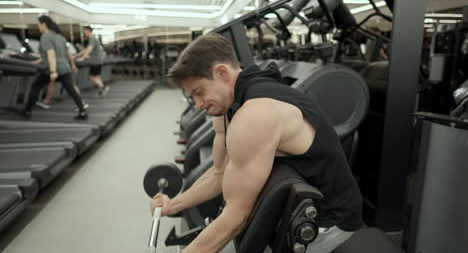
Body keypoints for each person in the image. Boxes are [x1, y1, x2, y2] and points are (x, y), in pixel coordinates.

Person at [150, 34, 363, 253]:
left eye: (199, 92)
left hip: (326, 224)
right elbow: (219, 172)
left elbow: (236, 216)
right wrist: (173, 205)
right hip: (294, 211)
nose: (198, 104)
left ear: (221, 73)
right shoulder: (230, 107)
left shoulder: (256, 114)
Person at [21, 15, 88, 120]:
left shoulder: (45, 37)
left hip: (53, 69)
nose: (38, 27)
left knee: (35, 87)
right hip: (64, 67)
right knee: (72, 90)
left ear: (44, 24)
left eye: (39, 25)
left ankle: (27, 111)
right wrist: (37, 61)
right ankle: (82, 112)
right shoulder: (60, 37)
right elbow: (64, 53)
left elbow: (51, 53)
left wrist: (53, 71)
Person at [74, 26, 110, 97]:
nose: (84, 33)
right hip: (98, 61)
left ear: (88, 31)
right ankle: (101, 91)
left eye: (84, 31)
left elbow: (89, 49)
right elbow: (86, 49)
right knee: (97, 77)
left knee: (91, 76)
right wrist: (77, 56)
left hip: (94, 61)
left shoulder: (92, 39)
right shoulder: (94, 39)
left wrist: (82, 58)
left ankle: (104, 87)